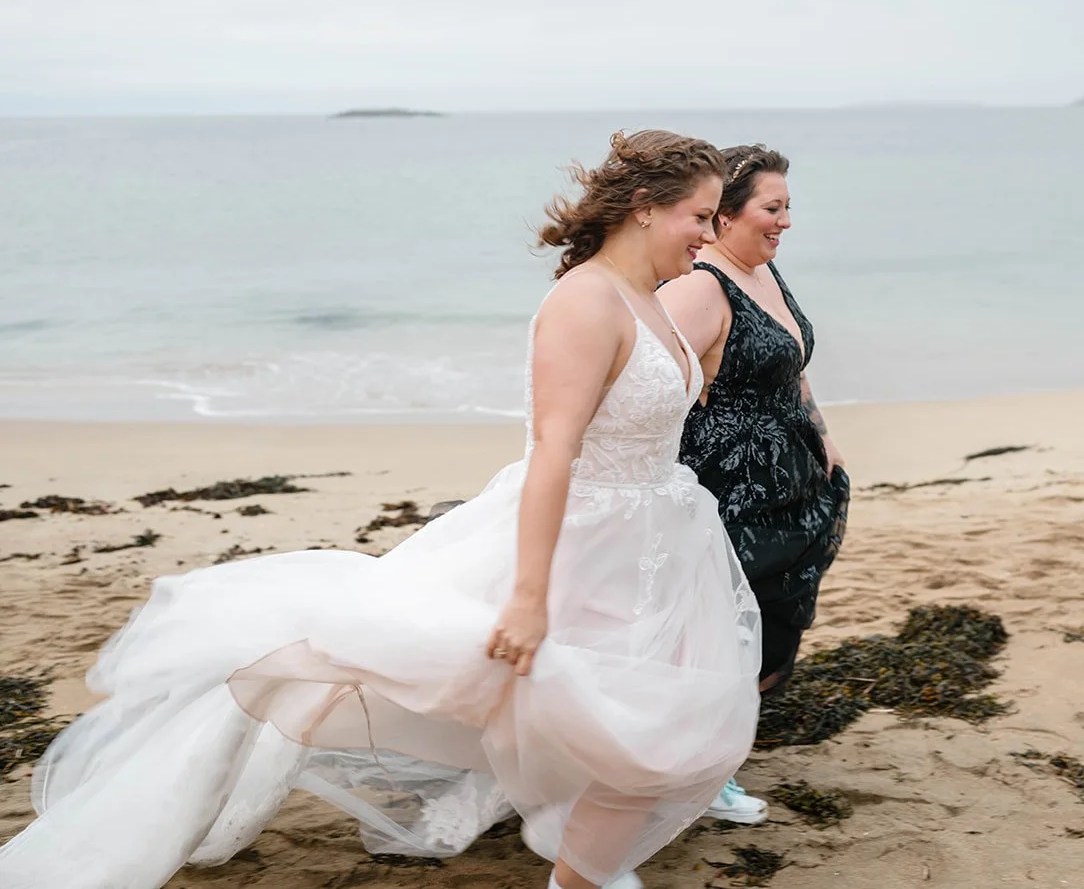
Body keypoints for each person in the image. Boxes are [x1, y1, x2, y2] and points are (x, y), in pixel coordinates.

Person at [0, 130, 761, 889]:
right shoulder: (585, 300)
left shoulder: (653, 299)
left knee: (662, 735)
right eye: (697, 216)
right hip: (575, 546)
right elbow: (554, 453)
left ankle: (582, 872)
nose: (709, 233)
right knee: (615, 731)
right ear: (642, 208)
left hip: (658, 545)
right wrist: (529, 597)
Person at [658, 144, 850, 821]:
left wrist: (820, 433)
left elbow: (790, 357)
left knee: (775, 634)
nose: (786, 221)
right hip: (731, 502)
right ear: (727, 215)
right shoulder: (699, 288)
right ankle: (698, 775)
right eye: (773, 207)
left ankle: (713, 762)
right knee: (728, 641)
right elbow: (642, 388)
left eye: (788, 206)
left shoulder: (764, 271)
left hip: (792, 494)